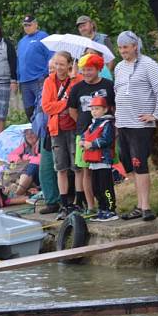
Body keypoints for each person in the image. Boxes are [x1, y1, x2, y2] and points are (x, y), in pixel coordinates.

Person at [114, 31, 158, 221]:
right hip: (123, 123)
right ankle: (138, 205)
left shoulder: (148, 65)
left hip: (140, 124)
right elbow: (117, 92)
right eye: (120, 48)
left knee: (140, 164)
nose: (123, 51)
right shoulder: (119, 67)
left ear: (135, 46)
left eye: (126, 47)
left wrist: (156, 115)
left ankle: (146, 207)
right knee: (130, 165)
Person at [69, 53, 115, 218]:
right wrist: (84, 126)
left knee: (103, 174)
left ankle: (108, 206)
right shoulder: (77, 87)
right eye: (84, 70)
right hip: (83, 133)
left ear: (98, 69)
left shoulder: (109, 85)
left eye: (90, 69)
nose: (86, 73)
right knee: (86, 171)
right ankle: (91, 206)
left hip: (104, 132)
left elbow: (114, 106)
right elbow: (72, 110)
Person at [41, 51, 83, 218]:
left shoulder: (76, 80)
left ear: (69, 65)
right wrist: (65, 104)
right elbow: (47, 107)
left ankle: (79, 201)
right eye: (56, 64)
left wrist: (72, 81)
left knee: (77, 166)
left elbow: (77, 101)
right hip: (56, 128)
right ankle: (64, 203)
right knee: (61, 167)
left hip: (73, 126)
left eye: (62, 64)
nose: (58, 68)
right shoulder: (49, 81)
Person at [81, 95, 118, 222]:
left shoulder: (107, 124)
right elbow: (85, 135)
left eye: (97, 109)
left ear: (105, 109)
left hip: (103, 160)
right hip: (93, 163)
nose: (94, 111)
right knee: (96, 187)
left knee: (106, 187)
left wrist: (92, 144)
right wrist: (82, 142)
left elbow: (106, 139)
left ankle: (111, 209)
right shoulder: (92, 125)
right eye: (92, 109)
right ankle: (102, 209)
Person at [17, 15, 52, 121]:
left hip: (39, 79)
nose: (27, 27)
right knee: (29, 110)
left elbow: (51, 56)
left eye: (29, 25)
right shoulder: (21, 41)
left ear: (36, 24)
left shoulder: (43, 36)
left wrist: (45, 73)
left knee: (41, 109)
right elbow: (19, 60)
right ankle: (34, 134)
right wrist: (18, 77)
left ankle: (44, 135)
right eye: (25, 25)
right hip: (24, 81)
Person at [7, 128, 41, 197]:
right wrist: (19, 160)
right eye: (27, 134)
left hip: (40, 173)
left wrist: (27, 159)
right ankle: (15, 189)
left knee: (32, 166)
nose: (29, 136)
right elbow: (11, 155)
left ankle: (18, 193)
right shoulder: (24, 146)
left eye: (32, 133)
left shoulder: (41, 144)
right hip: (27, 175)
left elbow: (40, 160)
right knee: (15, 166)